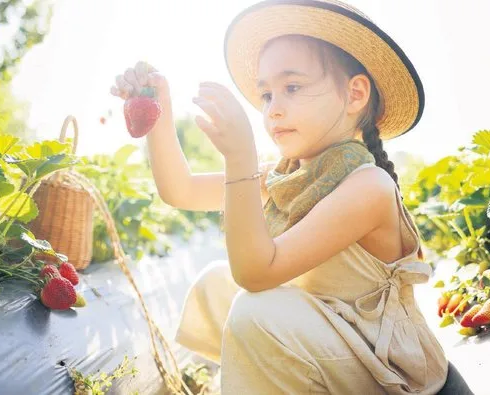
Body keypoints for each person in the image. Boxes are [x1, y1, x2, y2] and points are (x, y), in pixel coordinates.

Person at [110, 1, 449, 393]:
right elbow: (180, 190)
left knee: (254, 310)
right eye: (267, 94)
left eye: (292, 87)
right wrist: (159, 109)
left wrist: (240, 158)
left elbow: (256, 272)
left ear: (355, 94)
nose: (273, 109)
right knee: (215, 284)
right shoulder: (287, 177)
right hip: (335, 346)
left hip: (387, 370)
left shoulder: (368, 186)